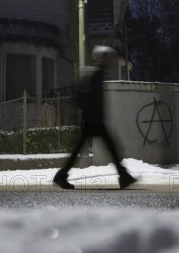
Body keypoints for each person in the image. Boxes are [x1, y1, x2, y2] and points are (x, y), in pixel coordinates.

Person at [53, 45, 137, 190]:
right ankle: (123, 176)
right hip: (93, 120)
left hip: (92, 119)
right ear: (102, 59)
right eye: (108, 59)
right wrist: (94, 115)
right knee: (109, 147)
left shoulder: (97, 75)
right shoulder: (95, 76)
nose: (110, 61)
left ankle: (62, 175)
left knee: (89, 149)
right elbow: (92, 99)